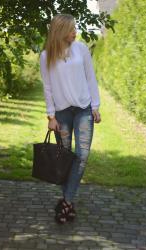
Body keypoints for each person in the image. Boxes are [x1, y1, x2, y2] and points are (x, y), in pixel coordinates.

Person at [40, 13, 101, 224]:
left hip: (84, 110)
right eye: (72, 29)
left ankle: (66, 201)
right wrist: (50, 115)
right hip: (62, 114)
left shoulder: (82, 49)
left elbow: (90, 77)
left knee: (82, 156)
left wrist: (95, 106)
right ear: (60, 31)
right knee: (65, 158)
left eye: (75, 28)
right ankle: (68, 204)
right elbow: (47, 87)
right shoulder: (46, 55)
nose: (75, 32)